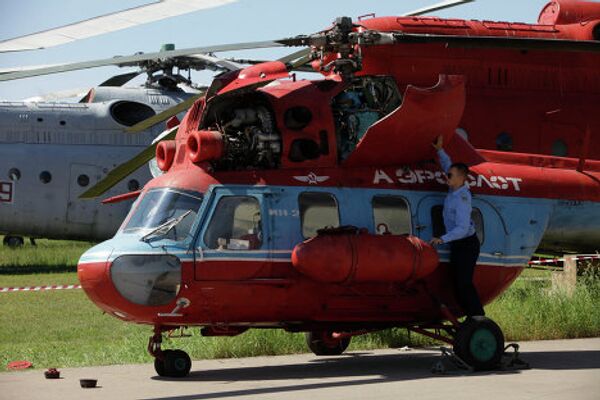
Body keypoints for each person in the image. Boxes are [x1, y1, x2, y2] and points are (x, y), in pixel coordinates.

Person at [430, 135, 485, 317]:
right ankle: (470, 317)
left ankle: (478, 317)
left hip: (466, 244)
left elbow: (462, 229)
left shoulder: (462, 199)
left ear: (461, 178)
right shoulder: (454, 187)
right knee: (456, 282)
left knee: (463, 283)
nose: (447, 176)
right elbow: (448, 165)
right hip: (459, 244)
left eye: (450, 175)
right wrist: (439, 149)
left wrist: (442, 239)